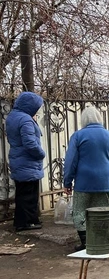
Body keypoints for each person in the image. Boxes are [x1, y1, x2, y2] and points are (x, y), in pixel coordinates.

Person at [64, 106, 109, 251]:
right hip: (104, 182)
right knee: (104, 212)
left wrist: (67, 181)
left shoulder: (78, 136)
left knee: (80, 212)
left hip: (83, 183)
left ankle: (86, 243)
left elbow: (71, 161)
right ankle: (104, 240)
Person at [6, 92, 46, 232]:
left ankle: (25, 220)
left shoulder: (13, 117)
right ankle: (26, 223)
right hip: (27, 161)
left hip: (19, 160)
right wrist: (41, 154)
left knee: (23, 192)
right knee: (29, 194)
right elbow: (30, 143)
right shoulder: (25, 120)